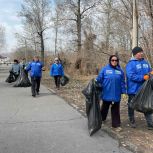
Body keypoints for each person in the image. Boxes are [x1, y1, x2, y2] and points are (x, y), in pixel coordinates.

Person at [96, 55, 126, 131]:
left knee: (115, 109)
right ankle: (101, 119)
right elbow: (99, 79)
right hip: (106, 93)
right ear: (110, 61)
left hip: (116, 94)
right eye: (112, 60)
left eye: (116, 60)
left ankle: (116, 125)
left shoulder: (120, 71)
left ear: (117, 61)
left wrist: (124, 91)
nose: (114, 62)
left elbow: (122, 82)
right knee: (104, 108)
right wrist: (95, 82)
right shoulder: (105, 69)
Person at [126, 46, 153, 130]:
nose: (141, 53)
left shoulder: (146, 62)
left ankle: (150, 124)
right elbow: (131, 76)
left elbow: (149, 72)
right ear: (135, 54)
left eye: (142, 52)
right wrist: (143, 77)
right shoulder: (130, 64)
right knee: (131, 105)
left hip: (144, 89)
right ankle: (132, 120)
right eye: (139, 52)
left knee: (146, 105)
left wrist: (151, 73)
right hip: (133, 89)